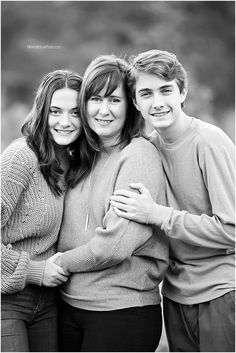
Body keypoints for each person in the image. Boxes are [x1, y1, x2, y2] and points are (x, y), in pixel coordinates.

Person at [110, 49, 235, 352]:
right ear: (136, 103)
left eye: (166, 90)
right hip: (175, 298)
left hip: (220, 293)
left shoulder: (209, 142)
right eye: (146, 93)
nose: (158, 102)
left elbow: (231, 230)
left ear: (183, 92)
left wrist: (158, 214)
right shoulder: (148, 149)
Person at [55, 54, 169, 352]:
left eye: (114, 100)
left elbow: (115, 246)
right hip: (68, 305)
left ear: (129, 106)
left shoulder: (138, 155)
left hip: (122, 312)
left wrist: (60, 263)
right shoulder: (79, 157)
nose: (103, 110)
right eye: (95, 99)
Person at [1, 69, 83, 352]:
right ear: (41, 113)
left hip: (49, 302)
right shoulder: (20, 158)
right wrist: (35, 271)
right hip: (7, 301)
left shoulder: (69, 163)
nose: (65, 122)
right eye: (55, 111)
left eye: (75, 113)